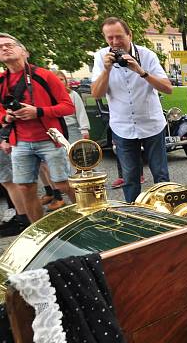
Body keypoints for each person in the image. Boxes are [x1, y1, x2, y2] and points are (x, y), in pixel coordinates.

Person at [91, 17, 172, 203]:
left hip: (151, 124)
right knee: (130, 179)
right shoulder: (100, 58)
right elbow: (97, 93)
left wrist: (141, 71)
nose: (114, 42)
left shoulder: (147, 55)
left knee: (161, 176)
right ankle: (135, 217)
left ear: (130, 35)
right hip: (123, 127)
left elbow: (167, 88)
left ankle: (167, 214)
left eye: (119, 37)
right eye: (109, 38)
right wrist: (106, 71)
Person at [0, 33, 75, 224]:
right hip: (21, 143)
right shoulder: (2, 81)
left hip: (50, 139)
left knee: (64, 184)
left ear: (24, 52)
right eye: (0, 48)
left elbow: (68, 106)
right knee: (25, 187)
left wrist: (38, 111)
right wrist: (6, 117)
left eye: (9, 45)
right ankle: (38, 231)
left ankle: (86, 219)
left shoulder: (44, 75)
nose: (5, 49)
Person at [39, 70, 90, 211]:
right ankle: (62, 195)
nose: (60, 82)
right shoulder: (47, 96)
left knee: (77, 161)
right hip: (55, 131)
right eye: (57, 79)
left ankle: (84, 192)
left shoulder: (72, 95)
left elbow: (80, 112)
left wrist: (84, 129)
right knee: (58, 164)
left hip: (72, 129)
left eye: (62, 79)